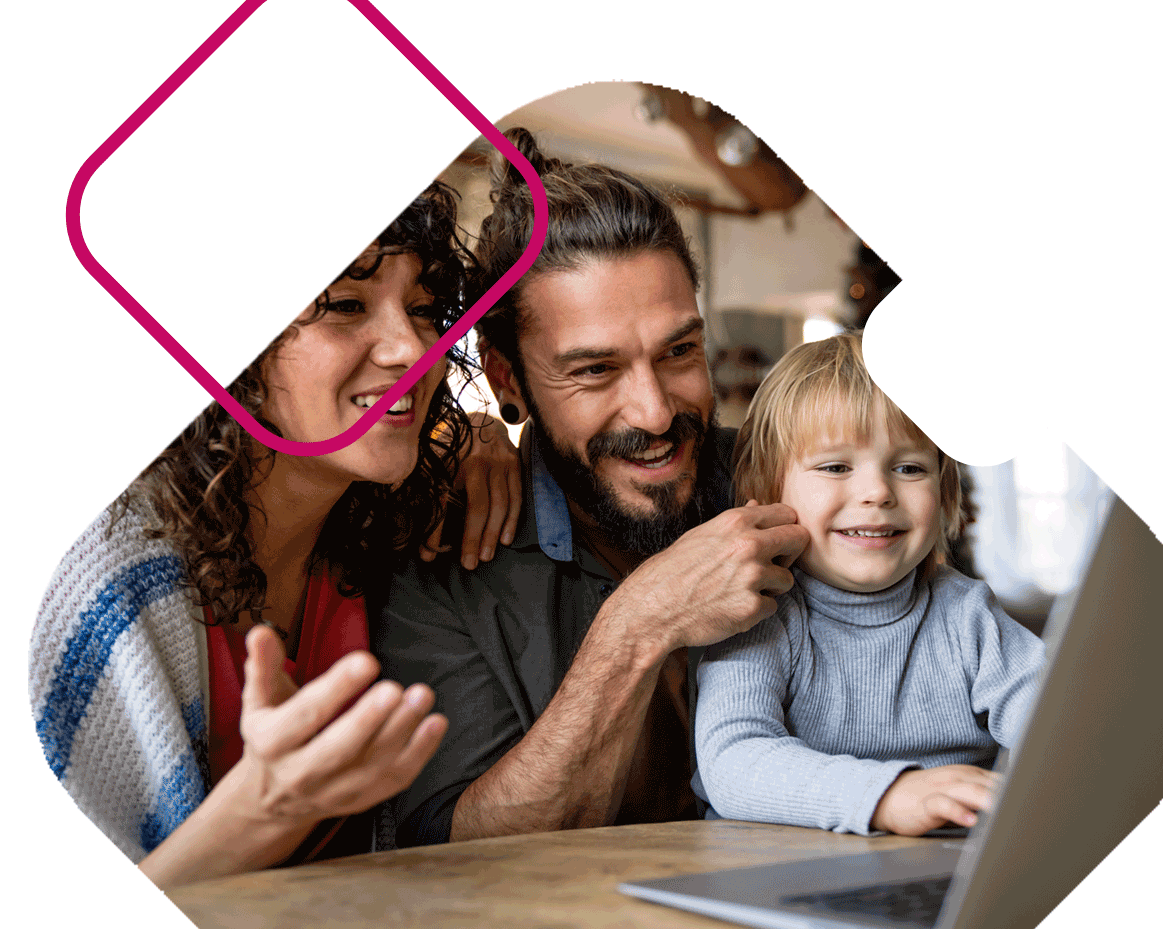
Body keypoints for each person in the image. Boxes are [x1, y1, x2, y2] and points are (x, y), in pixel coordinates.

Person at [28, 183, 520, 888]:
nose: (412, 347)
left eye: (421, 311)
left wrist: (477, 434)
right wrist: (261, 811)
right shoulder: (93, 577)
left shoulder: (377, 539)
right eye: (346, 305)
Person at [373, 129, 810, 846]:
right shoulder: (439, 562)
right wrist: (638, 623)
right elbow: (459, 857)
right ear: (507, 376)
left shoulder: (797, 486)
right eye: (594, 371)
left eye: (678, 352)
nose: (656, 412)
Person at [692, 332, 1045, 836]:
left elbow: (1065, 729)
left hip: (940, 876)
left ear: (944, 495)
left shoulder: (968, 616)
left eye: (909, 468)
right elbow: (735, 764)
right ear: (765, 492)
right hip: (775, 873)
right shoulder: (761, 616)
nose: (878, 492)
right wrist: (889, 795)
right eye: (835, 467)